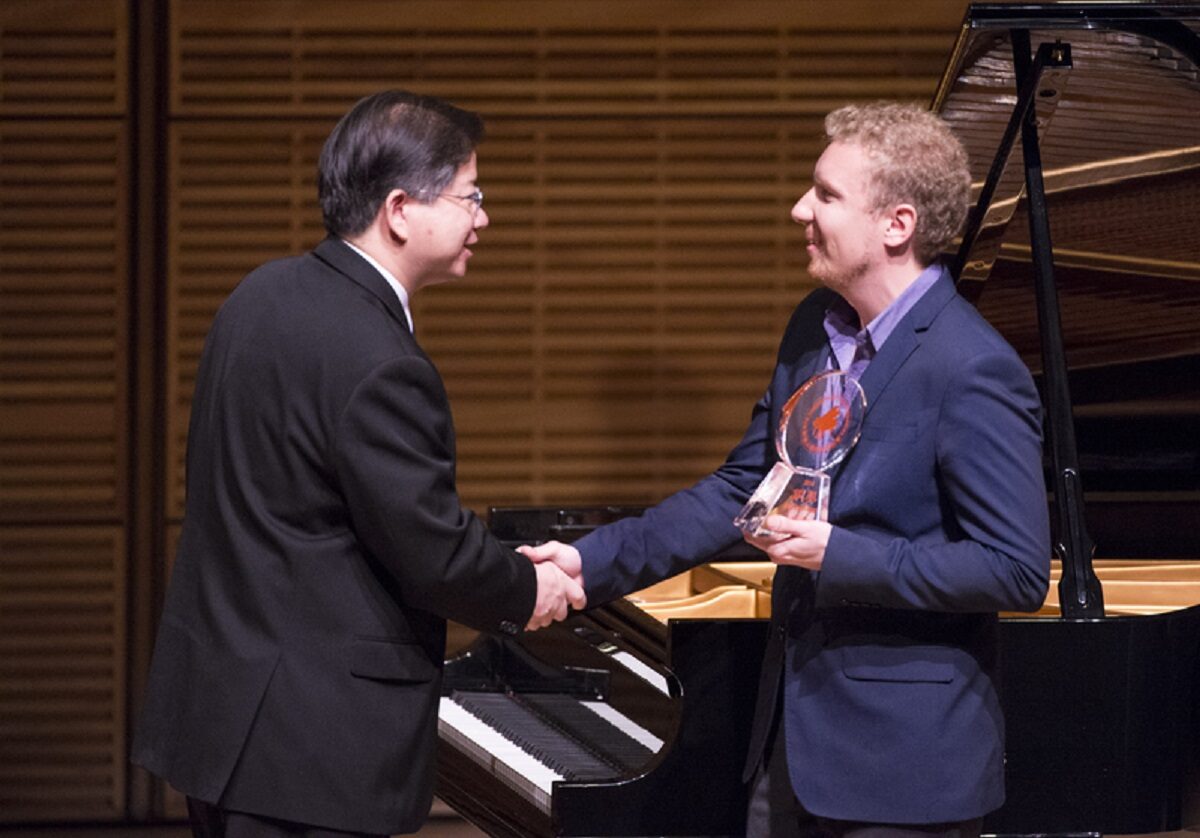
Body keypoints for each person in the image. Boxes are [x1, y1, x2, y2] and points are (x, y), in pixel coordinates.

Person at [521, 102, 1051, 836]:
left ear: (896, 225)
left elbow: (1015, 571)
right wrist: (587, 564)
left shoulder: (973, 368)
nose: (800, 207)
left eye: (827, 195)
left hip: (904, 773)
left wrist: (841, 553)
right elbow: (742, 489)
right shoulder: (814, 325)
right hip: (790, 753)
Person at [132, 90, 586, 838]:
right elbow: (430, 551)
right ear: (402, 209)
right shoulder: (382, 362)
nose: (484, 218)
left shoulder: (258, 296)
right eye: (472, 196)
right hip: (312, 748)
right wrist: (526, 587)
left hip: (219, 722)